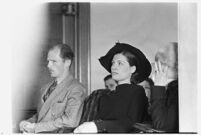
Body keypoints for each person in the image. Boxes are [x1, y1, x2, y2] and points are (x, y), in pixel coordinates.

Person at [74, 42, 152, 133]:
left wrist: (99, 126)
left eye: (120, 63)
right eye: (113, 63)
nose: (114, 67)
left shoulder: (137, 92)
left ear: (132, 69)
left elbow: (132, 123)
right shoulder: (105, 97)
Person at [19, 44, 87, 133]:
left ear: (67, 62)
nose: (48, 65)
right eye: (48, 61)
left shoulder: (76, 89)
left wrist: (36, 127)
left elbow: (70, 121)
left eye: (54, 61)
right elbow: (42, 115)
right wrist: (28, 122)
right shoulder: (45, 88)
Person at [150, 42, 178, 132]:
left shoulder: (177, 90)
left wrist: (158, 87)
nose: (155, 66)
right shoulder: (171, 88)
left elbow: (161, 126)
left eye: (160, 62)